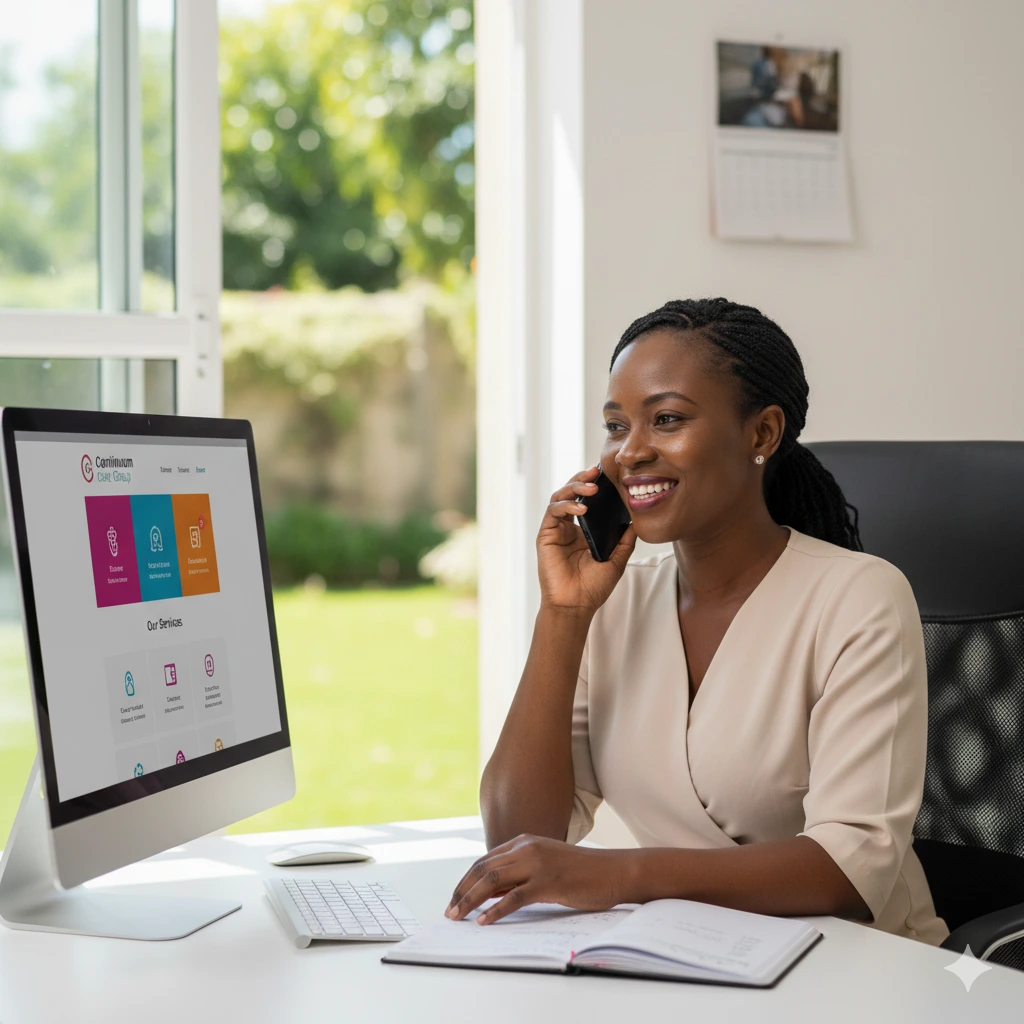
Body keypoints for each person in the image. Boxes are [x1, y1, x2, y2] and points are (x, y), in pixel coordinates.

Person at [447, 297, 948, 944]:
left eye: (667, 419)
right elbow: (521, 840)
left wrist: (622, 875)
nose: (629, 452)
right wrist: (563, 613)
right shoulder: (615, 602)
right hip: (696, 962)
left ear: (762, 434)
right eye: (615, 425)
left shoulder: (858, 597)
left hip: (864, 970)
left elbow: (848, 875)